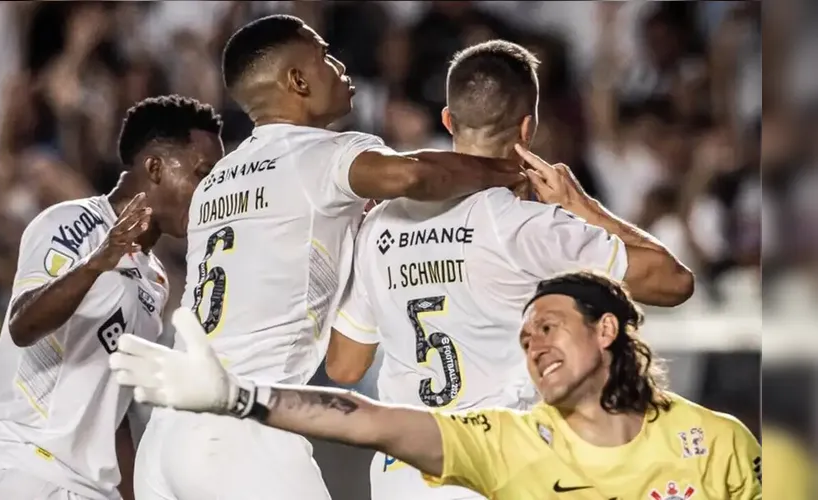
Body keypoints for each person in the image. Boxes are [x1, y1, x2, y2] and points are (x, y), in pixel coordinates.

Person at [132, 14, 526, 500]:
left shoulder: (217, 179)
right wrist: (509, 171)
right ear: (297, 81)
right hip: (240, 427)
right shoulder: (322, 154)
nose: (341, 67)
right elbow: (413, 177)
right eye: (325, 57)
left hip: (166, 435)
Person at [324, 41, 694, 500]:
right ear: (528, 126)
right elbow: (674, 281)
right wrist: (583, 207)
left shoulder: (379, 223)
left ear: (447, 120)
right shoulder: (526, 227)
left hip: (403, 471)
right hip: (496, 466)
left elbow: (344, 365)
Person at [110, 271, 762, 500]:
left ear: (606, 331)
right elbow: (368, 420)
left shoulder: (718, 442)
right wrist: (239, 397)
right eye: (526, 335)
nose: (533, 344)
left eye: (550, 327)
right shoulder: (512, 442)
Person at [0, 95, 224, 500]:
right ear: (154, 167)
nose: (210, 193)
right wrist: (97, 262)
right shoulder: (71, 223)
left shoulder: (156, 280)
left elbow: (112, 407)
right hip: (23, 468)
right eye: (203, 174)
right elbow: (23, 325)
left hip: (89, 486)